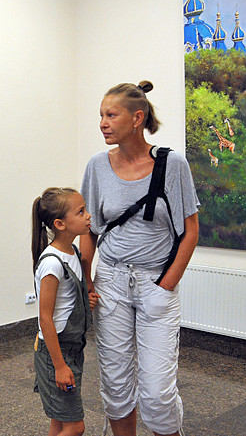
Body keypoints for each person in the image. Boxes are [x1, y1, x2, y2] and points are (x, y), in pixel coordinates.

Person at [80, 81, 199, 436]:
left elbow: (191, 231)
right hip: (111, 283)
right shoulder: (97, 166)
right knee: (116, 387)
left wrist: (166, 285)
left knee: (158, 394)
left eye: (111, 115)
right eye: (101, 115)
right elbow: (89, 229)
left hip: (155, 283)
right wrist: (88, 280)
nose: (102, 123)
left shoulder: (172, 164)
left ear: (137, 118)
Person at [31, 187, 98, 436]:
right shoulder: (52, 263)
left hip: (71, 350)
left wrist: (85, 301)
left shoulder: (72, 252)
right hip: (55, 354)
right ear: (60, 224)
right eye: (80, 212)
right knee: (75, 426)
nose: (88, 216)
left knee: (59, 422)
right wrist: (59, 366)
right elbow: (45, 318)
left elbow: (66, 301)